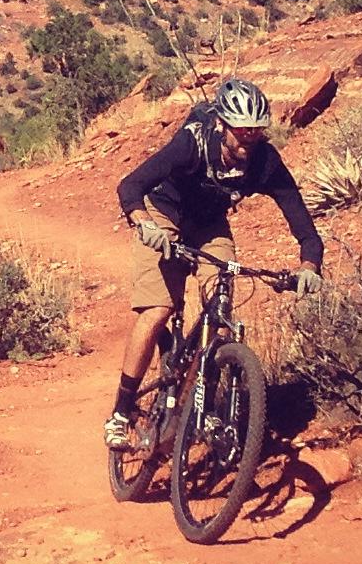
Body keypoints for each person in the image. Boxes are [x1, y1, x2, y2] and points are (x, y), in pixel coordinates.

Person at [104, 76, 324, 449]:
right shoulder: (193, 142)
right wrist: (143, 223)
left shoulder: (265, 162)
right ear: (221, 125)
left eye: (255, 132)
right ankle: (121, 413)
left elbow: (302, 223)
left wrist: (309, 265)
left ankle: (198, 408)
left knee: (219, 310)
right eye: (240, 132)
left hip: (209, 225)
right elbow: (131, 185)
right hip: (164, 214)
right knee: (159, 309)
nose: (247, 141)